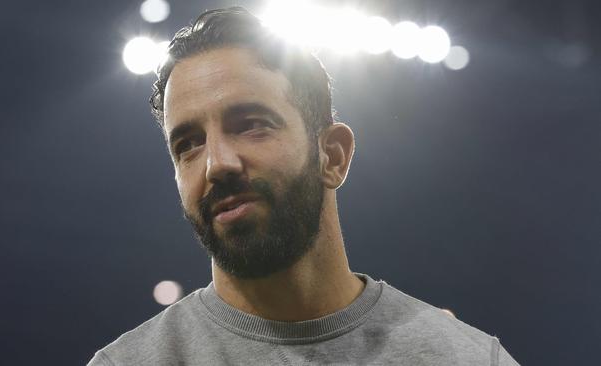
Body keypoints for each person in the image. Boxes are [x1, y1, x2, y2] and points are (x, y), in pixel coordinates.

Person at [89, 7, 519, 366]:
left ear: (332, 155)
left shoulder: (468, 359)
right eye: (188, 144)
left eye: (251, 125)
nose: (217, 163)